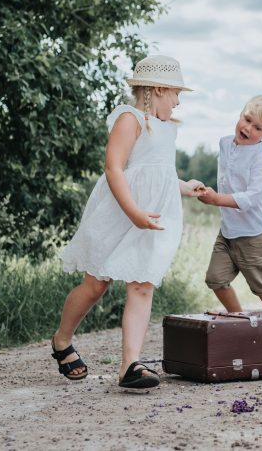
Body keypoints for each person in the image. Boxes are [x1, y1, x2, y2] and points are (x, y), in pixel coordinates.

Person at [54, 55, 204, 388]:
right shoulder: (130, 118)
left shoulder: (167, 130)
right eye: (176, 94)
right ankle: (62, 340)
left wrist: (184, 186)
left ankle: (129, 365)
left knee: (141, 285)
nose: (179, 102)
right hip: (121, 214)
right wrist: (133, 211)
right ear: (159, 89)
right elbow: (115, 168)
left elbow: (159, 175)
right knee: (95, 285)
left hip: (150, 219)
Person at [199, 95, 262, 312]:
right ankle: (238, 319)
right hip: (228, 232)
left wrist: (216, 200)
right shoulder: (224, 143)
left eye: (258, 127)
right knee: (215, 279)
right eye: (247, 120)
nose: (248, 128)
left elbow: (251, 198)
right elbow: (227, 179)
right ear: (240, 114)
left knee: (261, 287)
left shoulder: (260, 159)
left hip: (254, 234)